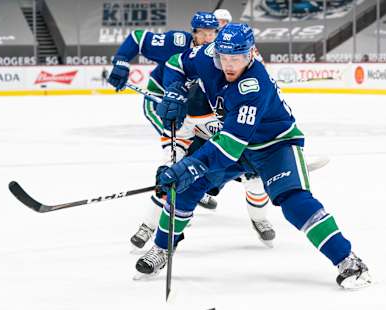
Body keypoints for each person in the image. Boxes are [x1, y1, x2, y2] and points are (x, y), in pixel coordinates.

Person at [135, 23, 372, 289]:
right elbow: (176, 63)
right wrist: (174, 89)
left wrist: (189, 165)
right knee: (186, 189)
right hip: (235, 142)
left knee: (294, 202)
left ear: (251, 54)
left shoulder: (253, 86)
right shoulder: (208, 56)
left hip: (274, 145)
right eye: (224, 58)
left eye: (237, 58)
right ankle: (162, 249)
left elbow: (229, 148)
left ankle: (348, 261)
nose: (229, 65)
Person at [107, 13, 276, 250]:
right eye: (204, 33)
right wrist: (122, 62)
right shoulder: (182, 47)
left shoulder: (237, 64)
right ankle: (150, 224)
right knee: (175, 169)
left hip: (213, 115)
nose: (209, 38)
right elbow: (143, 42)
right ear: (194, 32)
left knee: (251, 173)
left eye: (214, 32)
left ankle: (258, 217)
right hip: (177, 109)